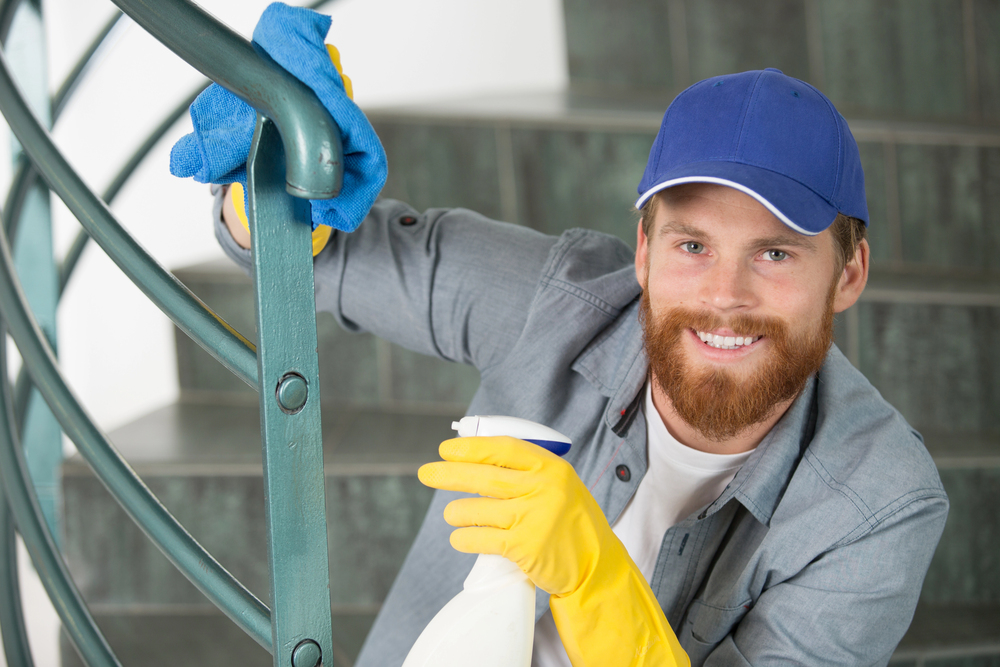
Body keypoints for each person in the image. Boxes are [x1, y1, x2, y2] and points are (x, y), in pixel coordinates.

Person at [184, 13, 949, 664]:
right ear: (643, 251)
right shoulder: (560, 299)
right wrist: (276, 178)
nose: (725, 296)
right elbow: (324, 260)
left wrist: (592, 575)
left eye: (775, 253)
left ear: (849, 274)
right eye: (692, 246)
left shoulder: (878, 505)